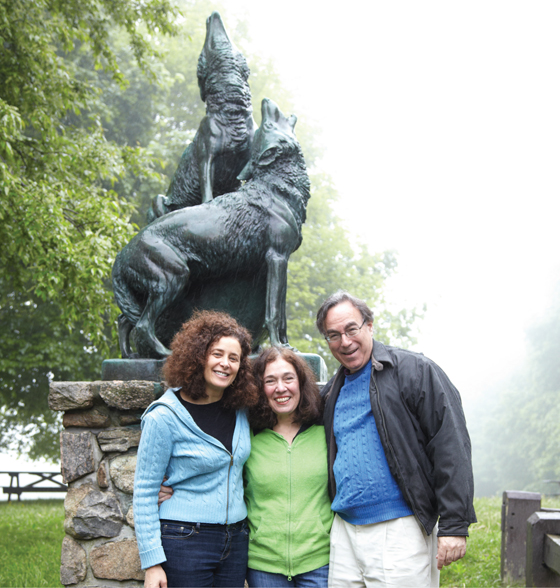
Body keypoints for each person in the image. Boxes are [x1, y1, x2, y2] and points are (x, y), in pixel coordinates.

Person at [315, 290, 476, 588]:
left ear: (370, 325)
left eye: (351, 329)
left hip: (399, 530)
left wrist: (455, 524)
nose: (345, 341)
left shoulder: (415, 370)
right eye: (333, 335)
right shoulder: (330, 392)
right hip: (344, 532)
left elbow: (450, 444)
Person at [133, 310, 259, 588]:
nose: (225, 364)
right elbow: (144, 492)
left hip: (236, 541)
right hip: (184, 540)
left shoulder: (240, 411)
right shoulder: (163, 417)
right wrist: (152, 563)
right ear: (198, 356)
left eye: (233, 358)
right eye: (217, 354)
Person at [245, 347, 333, 587]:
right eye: (270, 381)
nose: (280, 388)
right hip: (263, 566)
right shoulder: (248, 437)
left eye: (288, 378)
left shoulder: (325, 434)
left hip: (319, 563)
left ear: (301, 383)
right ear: (260, 388)